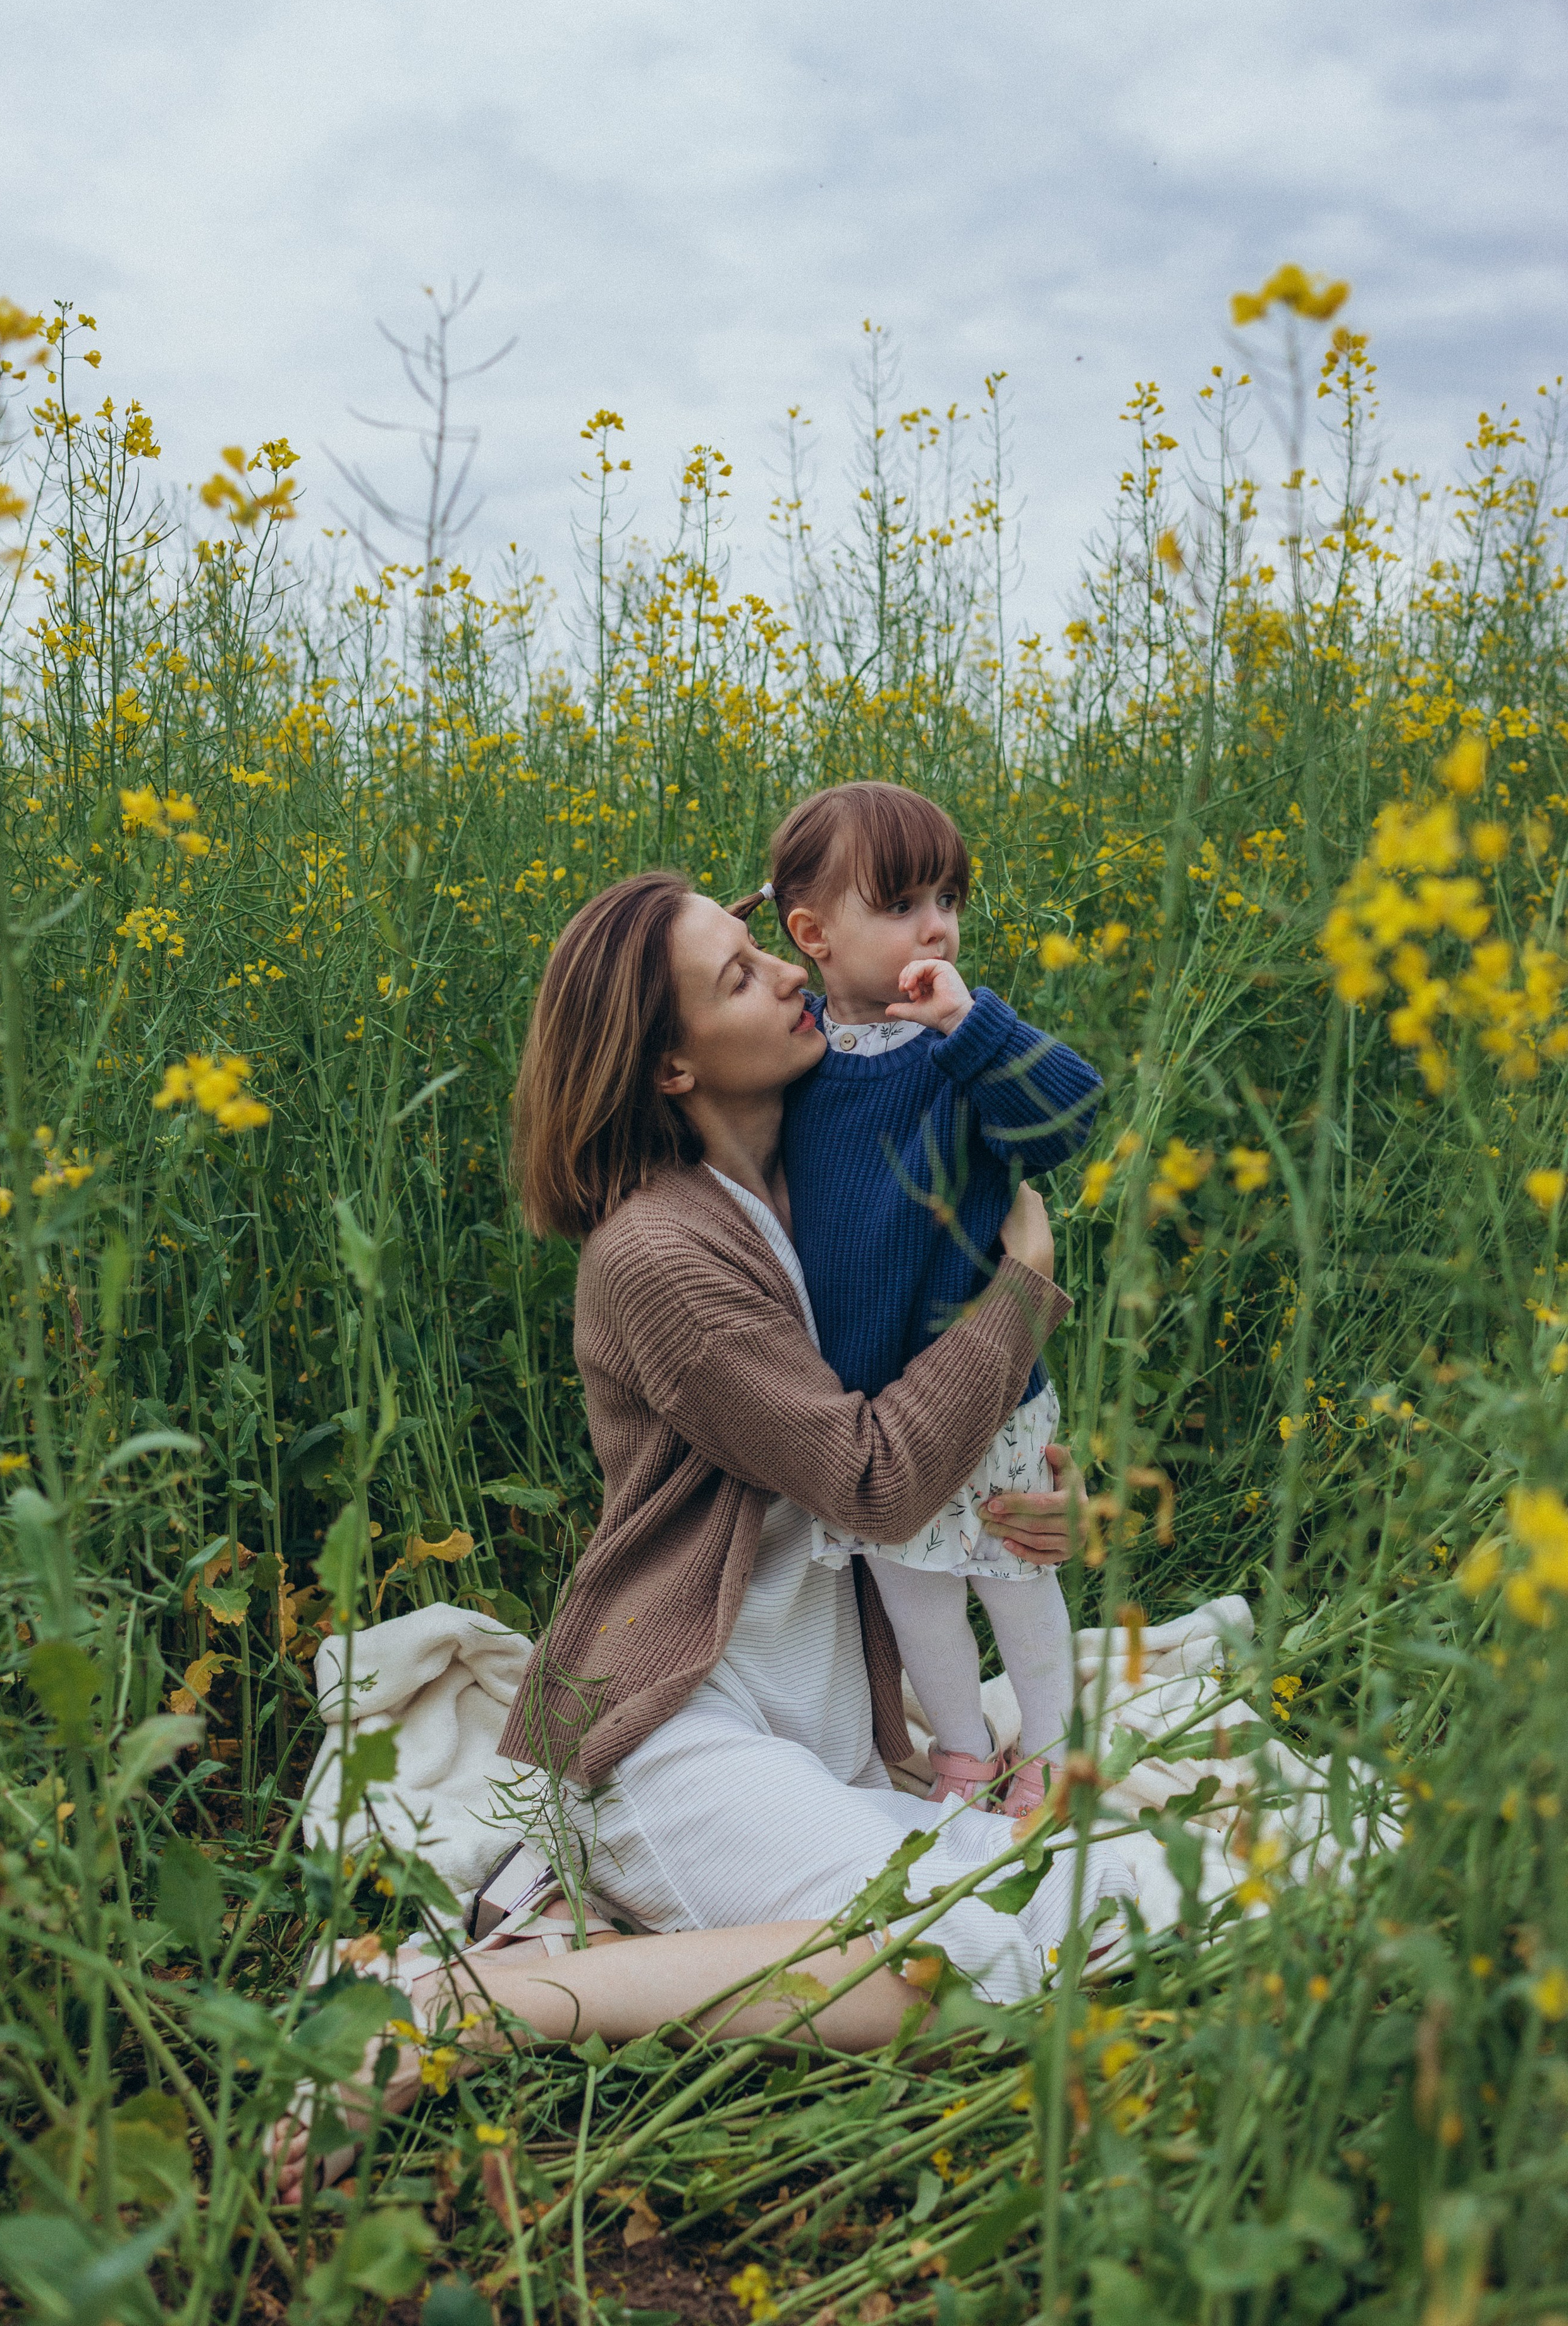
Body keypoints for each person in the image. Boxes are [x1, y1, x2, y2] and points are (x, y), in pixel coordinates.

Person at [271, 871, 1129, 2205]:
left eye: (762, 953)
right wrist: (1019, 1289)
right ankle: (472, 2004)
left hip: (830, 1728)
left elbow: (931, 1431)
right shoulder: (655, 1257)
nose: (788, 976)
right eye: (738, 976)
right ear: (669, 1063)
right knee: (972, 1963)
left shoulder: (821, 1194)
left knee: (1080, 1888)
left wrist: (1026, 1504)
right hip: (675, 1727)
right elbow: (870, 1477)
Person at [741, 780, 1100, 1816]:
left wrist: (972, 1024)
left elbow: (1067, 1119)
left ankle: (1054, 1746)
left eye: (947, 895)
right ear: (810, 932)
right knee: (918, 1597)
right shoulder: (796, 1056)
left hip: (987, 1388)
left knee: (1016, 1578)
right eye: (899, 902)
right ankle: (961, 1751)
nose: (936, 921)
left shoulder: (962, 1053)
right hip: (870, 1409)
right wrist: (724, 932)